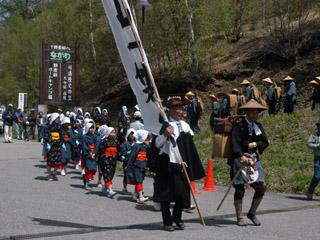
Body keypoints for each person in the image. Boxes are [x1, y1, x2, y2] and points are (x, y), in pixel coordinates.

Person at [154, 96, 205, 232]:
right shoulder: (163, 125)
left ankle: (177, 217)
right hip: (167, 163)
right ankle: (167, 221)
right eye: (176, 108)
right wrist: (165, 134)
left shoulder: (185, 125)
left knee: (182, 194)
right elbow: (157, 144)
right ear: (169, 111)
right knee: (166, 195)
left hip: (182, 164)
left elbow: (189, 145)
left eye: (180, 108)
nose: (179, 111)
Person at [229, 99, 269, 226]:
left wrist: (256, 143)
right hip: (239, 159)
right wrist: (241, 156)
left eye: (256, 112)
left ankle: (252, 213)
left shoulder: (258, 126)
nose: (254, 114)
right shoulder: (238, 126)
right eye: (251, 112)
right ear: (246, 112)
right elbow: (234, 144)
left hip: (254, 159)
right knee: (240, 188)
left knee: (261, 187)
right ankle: (239, 216)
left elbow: (265, 142)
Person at [126, 129, 150, 203]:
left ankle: (135, 194)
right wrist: (128, 165)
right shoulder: (137, 146)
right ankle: (140, 196)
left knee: (140, 181)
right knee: (139, 181)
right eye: (146, 138)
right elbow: (132, 156)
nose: (148, 139)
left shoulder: (144, 146)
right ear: (142, 137)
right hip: (137, 166)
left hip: (142, 166)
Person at [96, 127, 120, 198]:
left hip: (113, 161)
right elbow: (99, 150)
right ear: (108, 133)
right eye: (111, 132)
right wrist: (97, 157)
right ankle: (110, 190)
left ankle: (105, 188)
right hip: (105, 162)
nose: (113, 134)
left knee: (111, 175)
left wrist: (121, 156)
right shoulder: (104, 141)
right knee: (107, 176)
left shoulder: (116, 142)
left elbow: (119, 150)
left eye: (114, 132)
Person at [43, 113, 64, 181]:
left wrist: (61, 142)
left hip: (58, 146)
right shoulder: (48, 127)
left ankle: (54, 173)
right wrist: (50, 142)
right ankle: (49, 174)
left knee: (58, 161)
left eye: (58, 118)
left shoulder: (60, 126)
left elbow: (61, 135)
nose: (58, 119)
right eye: (57, 118)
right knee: (50, 161)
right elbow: (46, 135)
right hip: (51, 146)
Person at [306, 120, 320, 200]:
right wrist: (317, 145)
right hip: (318, 157)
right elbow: (309, 144)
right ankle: (310, 191)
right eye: (318, 126)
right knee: (317, 176)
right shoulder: (314, 135)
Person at [82, 122, 98, 190]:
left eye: (92, 128)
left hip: (93, 155)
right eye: (90, 128)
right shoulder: (84, 137)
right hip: (87, 156)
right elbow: (84, 146)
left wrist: (94, 153)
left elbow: (96, 145)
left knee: (93, 169)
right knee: (88, 169)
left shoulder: (95, 136)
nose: (91, 129)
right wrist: (89, 154)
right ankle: (86, 183)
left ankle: (87, 181)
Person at [120, 128, 136, 193]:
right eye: (130, 134)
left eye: (133, 134)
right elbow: (123, 153)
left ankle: (136, 191)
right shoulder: (125, 144)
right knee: (126, 175)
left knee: (135, 176)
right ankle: (124, 188)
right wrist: (130, 151)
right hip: (127, 161)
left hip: (134, 162)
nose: (132, 136)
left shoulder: (136, 143)